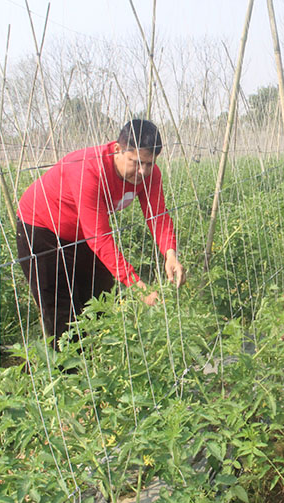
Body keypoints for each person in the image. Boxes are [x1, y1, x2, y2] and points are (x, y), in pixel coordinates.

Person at [16, 119, 185, 349]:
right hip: (42, 228)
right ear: (117, 150)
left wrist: (170, 253)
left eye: (149, 163)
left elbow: (158, 215)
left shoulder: (149, 174)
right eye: (136, 162)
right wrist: (137, 287)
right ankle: (67, 375)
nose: (143, 171)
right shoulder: (88, 170)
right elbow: (100, 238)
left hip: (83, 233)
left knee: (100, 299)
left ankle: (96, 364)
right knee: (61, 310)